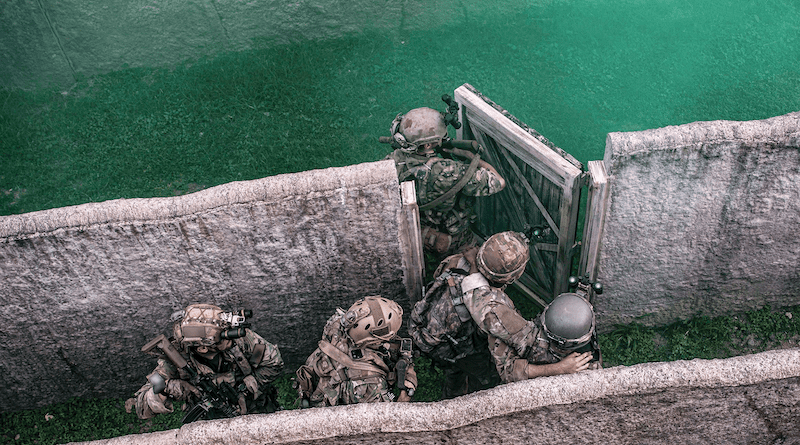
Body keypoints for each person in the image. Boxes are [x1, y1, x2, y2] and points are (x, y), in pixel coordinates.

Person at [409, 231, 599, 398]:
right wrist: (558, 369)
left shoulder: (455, 261)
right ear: (513, 277)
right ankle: (463, 403)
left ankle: (450, 396)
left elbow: (451, 284)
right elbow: (509, 366)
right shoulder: (498, 312)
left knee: (454, 374)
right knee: (478, 382)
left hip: (427, 331)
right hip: (456, 349)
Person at [383, 106, 506, 260]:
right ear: (427, 145)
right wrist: (466, 154)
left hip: (418, 227)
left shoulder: (391, 161)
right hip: (453, 235)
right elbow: (499, 182)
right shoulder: (448, 171)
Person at [126, 304, 284, 421]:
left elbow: (274, 362)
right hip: (207, 419)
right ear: (202, 348)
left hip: (254, 407)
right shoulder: (175, 357)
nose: (230, 341)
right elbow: (143, 404)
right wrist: (168, 388)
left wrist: (253, 382)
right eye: (222, 339)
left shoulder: (243, 340)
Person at [295, 296, 417, 407]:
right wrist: (404, 397)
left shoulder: (338, 323)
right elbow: (385, 418)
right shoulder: (372, 385)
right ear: (371, 342)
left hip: (323, 369)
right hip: (329, 397)